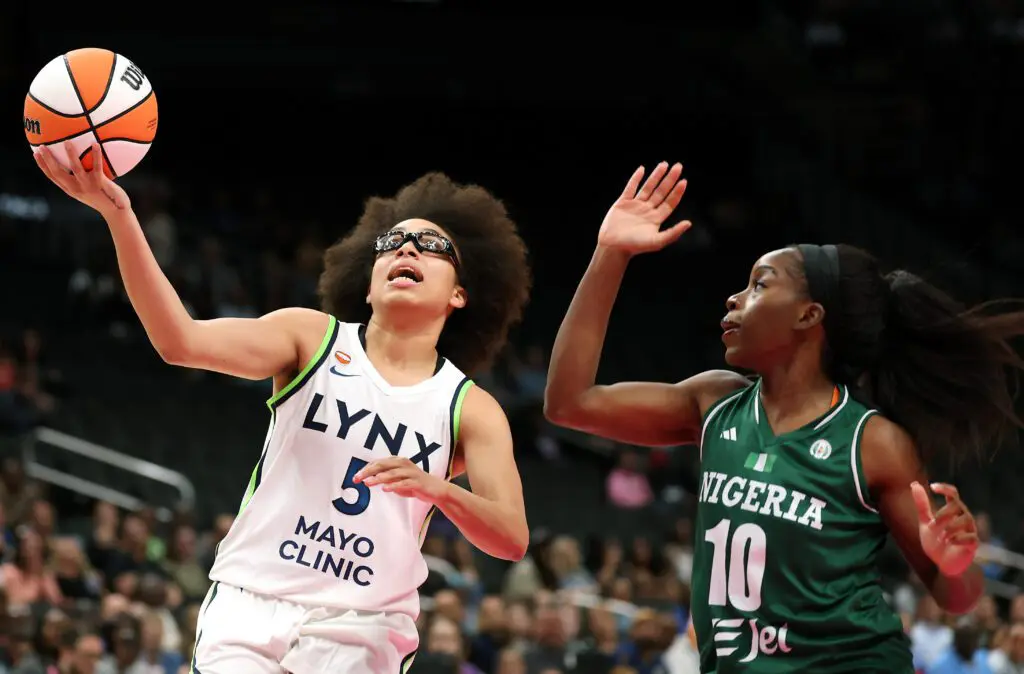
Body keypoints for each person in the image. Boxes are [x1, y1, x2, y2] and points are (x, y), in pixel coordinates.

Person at [34, 142, 532, 673]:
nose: (406, 249)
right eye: (392, 243)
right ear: (368, 285)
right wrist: (120, 215)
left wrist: (436, 488)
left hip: (364, 619)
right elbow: (180, 341)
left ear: (459, 294)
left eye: (430, 246)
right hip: (250, 595)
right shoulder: (311, 338)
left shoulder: (469, 408)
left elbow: (511, 537)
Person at [544, 161, 1024, 672]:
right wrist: (611, 254)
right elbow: (569, 403)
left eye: (759, 285)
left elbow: (957, 596)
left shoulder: (869, 442)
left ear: (808, 315)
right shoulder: (715, 402)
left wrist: (954, 563)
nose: (734, 298)